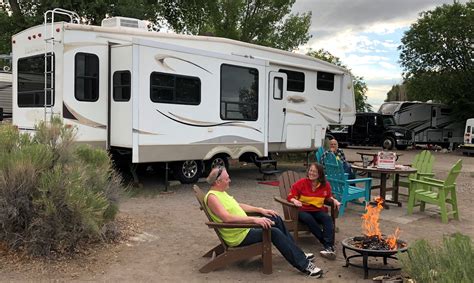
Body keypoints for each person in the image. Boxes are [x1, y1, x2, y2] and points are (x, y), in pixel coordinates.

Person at [205, 167, 323, 277]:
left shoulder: (221, 192)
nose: (229, 180)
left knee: (275, 218)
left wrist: (260, 210)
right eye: (227, 179)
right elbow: (227, 218)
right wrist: (255, 219)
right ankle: (305, 265)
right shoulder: (212, 197)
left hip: (244, 228)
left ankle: (298, 253)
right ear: (218, 182)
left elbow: (238, 206)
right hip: (239, 235)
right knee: (274, 233)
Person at [287, 163, 341, 260]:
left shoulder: (325, 185)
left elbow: (328, 197)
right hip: (302, 210)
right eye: (310, 170)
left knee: (327, 218)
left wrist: (335, 201)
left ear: (320, 174)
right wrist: (295, 200)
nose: (311, 173)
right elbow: (290, 196)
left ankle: (328, 247)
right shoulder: (301, 183)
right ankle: (327, 244)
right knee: (309, 218)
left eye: (314, 171)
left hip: (317, 210)